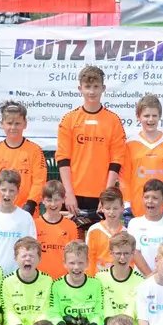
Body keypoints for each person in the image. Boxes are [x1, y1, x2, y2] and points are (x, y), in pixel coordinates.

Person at [56, 65, 127, 221]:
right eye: (87, 87)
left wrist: (107, 195)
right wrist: (68, 193)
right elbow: (63, 159)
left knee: (101, 240)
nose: (92, 91)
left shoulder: (113, 121)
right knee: (74, 241)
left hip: (101, 193)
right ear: (80, 88)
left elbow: (116, 160)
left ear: (103, 88)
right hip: (74, 193)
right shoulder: (69, 119)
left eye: (96, 87)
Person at [122, 94, 163, 218]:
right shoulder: (130, 144)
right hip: (137, 209)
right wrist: (126, 204)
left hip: (162, 210)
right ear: (138, 117)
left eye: (154, 115)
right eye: (146, 116)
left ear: (160, 117)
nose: (150, 120)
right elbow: (124, 178)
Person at [0, 100, 45, 214]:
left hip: (28, 212)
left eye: (17, 123)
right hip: (1, 211)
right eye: (9, 123)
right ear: (2, 124)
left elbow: (39, 180)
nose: (13, 127)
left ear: (25, 123)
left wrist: (31, 204)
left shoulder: (35, 150)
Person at [1, 236, 51, 325]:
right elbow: (9, 311)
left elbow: (46, 309)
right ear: (15, 258)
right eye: (23, 256)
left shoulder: (47, 280)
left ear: (39, 259)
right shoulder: (7, 282)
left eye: (32, 256)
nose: (28, 259)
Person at [0, 170, 37, 272]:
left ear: (18, 191)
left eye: (11, 190)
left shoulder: (26, 218)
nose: (7, 194)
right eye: (3, 190)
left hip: (16, 276)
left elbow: (31, 249)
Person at [126, 179, 163, 275]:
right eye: (146, 197)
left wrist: (159, 277)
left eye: (155, 198)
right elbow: (135, 252)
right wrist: (150, 276)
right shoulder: (134, 223)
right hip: (142, 279)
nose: (150, 201)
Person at [34, 180, 79, 279]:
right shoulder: (35, 225)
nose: (53, 204)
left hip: (63, 280)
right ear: (43, 200)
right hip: (40, 280)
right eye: (49, 200)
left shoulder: (71, 226)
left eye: (56, 200)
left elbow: (74, 255)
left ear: (64, 199)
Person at [85, 188, 128, 276]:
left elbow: (130, 261)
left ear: (122, 208)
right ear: (102, 208)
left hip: (118, 282)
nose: (111, 212)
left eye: (115, 208)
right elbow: (89, 259)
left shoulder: (127, 233)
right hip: (98, 281)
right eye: (108, 208)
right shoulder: (94, 230)